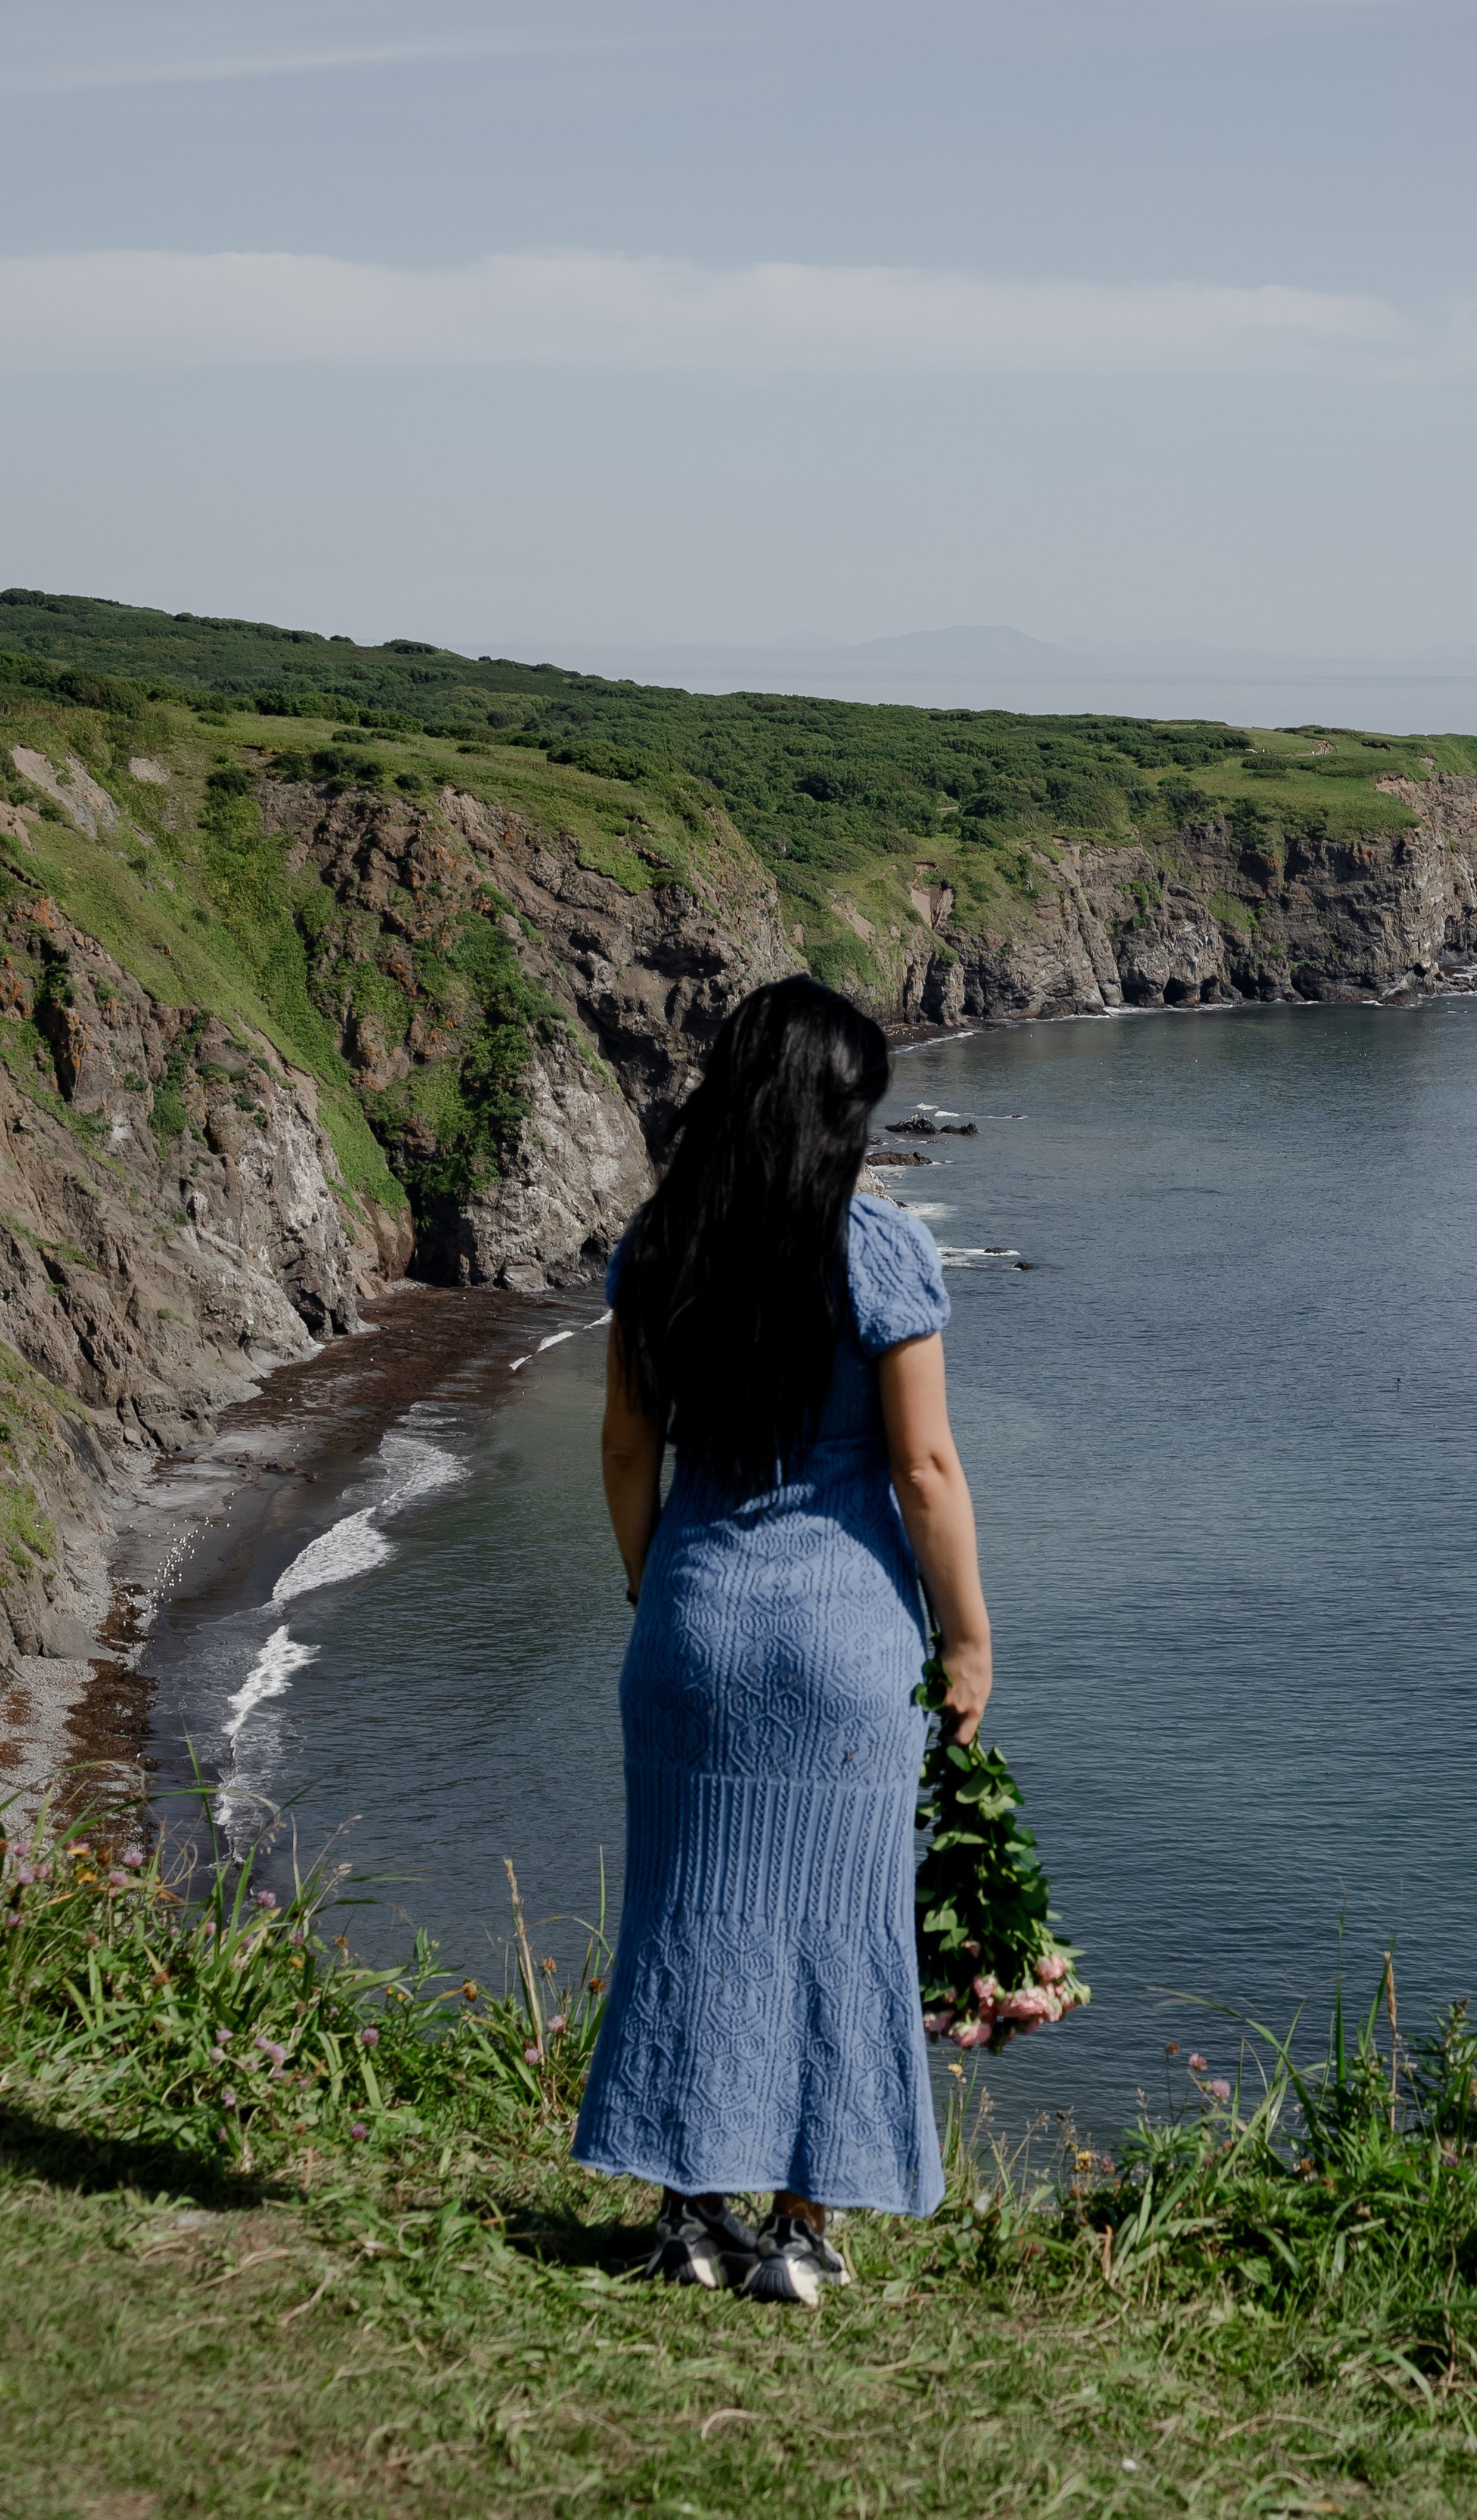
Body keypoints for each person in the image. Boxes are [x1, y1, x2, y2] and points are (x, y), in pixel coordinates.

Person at [572, 975, 993, 2305]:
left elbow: (630, 1447)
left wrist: (662, 1590)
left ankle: (689, 2218)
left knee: (689, 1917)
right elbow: (925, 1469)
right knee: (836, 1925)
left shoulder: (659, 1249)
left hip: (693, 1624)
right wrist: (971, 1643)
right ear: (833, 1116)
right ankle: (803, 2234)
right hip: (842, 1646)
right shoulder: (879, 1252)